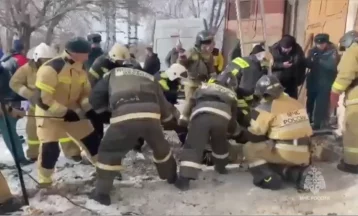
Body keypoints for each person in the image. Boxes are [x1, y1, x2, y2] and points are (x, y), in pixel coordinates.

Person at [89, 61, 177, 206]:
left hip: (124, 114)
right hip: (151, 115)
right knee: (161, 148)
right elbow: (163, 104)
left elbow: (95, 98)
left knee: (109, 151)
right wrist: (167, 119)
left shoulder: (112, 73)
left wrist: (105, 112)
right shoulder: (150, 77)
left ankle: (101, 193)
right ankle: (172, 177)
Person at [34, 37, 102, 187]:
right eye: (86, 53)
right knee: (50, 150)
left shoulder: (81, 68)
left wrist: (89, 110)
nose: (88, 56)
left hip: (73, 112)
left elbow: (84, 94)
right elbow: (42, 99)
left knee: (92, 141)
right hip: (49, 115)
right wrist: (64, 112)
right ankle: (45, 182)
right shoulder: (50, 69)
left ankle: (104, 169)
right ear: (75, 53)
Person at [10, 43, 82, 162]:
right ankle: (34, 153)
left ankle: (72, 152)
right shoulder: (26, 69)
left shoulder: (59, 68)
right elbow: (14, 83)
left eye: (49, 60)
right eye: (44, 61)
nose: (46, 63)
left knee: (63, 128)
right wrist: (29, 94)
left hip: (54, 103)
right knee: (33, 130)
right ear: (36, 59)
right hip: (35, 106)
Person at [242, 75, 313, 190]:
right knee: (273, 160)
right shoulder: (296, 103)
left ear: (263, 94)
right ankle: (298, 174)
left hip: (285, 152)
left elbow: (254, 136)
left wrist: (242, 130)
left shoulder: (264, 107)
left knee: (249, 148)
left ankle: (267, 179)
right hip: (305, 153)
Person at [174, 72, 240, 191]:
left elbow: (190, 102)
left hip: (202, 114)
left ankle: (184, 180)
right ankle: (221, 168)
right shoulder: (232, 94)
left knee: (194, 145)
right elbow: (233, 117)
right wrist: (230, 131)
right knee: (220, 143)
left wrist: (183, 119)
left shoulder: (204, 87)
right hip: (223, 117)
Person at [330, 30, 358, 174]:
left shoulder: (353, 51)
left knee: (353, 131)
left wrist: (335, 92)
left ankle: (352, 164)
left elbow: (345, 75)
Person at [306, 34, 339, 131]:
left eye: (322, 44)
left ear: (326, 43)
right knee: (310, 102)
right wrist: (307, 62)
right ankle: (308, 120)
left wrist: (319, 60)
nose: (319, 46)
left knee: (321, 104)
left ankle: (318, 124)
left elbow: (332, 66)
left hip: (325, 82)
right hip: (313, 81)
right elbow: (309, 64)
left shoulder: (332, 51)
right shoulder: (312, 51)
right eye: (317, 44)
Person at [179, 30, 215, 101]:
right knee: (189, 105)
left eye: (212, 44)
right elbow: (180, 64)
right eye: (208, 44)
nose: (211, 46)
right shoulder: (191, 52)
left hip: (203, 85)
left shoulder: (209, 56)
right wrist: (182, 60)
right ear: (200, 44)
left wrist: (215, 80)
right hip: (191, 84)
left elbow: (211, 70)